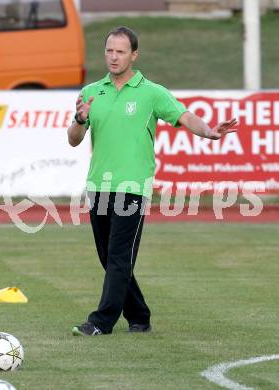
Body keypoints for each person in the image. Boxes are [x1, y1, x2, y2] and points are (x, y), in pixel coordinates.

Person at [67, 26, 237, 336]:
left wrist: (210, 131)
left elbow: (185, 117)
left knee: (119, 257)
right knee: (110, 259)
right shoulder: (91, 92)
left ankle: (101, 321)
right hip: (99, 187)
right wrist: (79, 119)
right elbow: (73, 140)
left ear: (134, 55)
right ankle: (140, 316)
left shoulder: (151, 92)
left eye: (120, 51)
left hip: (133, 187)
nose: (113, 56)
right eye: (109, 50)